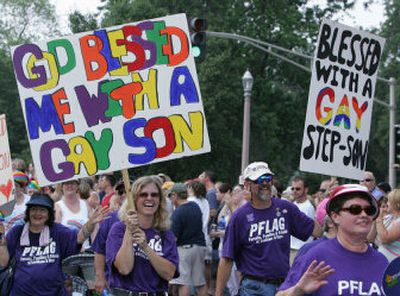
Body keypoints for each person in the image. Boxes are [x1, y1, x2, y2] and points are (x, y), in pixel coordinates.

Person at [216, 162, 322, 296]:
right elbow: (227, 259)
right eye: (260, 180)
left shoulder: (285, 208)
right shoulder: (240, 217)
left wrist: (325, 210)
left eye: (268, 179)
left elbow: (318, 231)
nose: (265, 183)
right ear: (248, 185)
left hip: (283, 287)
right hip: (253, 287)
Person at [277, 184, 389, 296]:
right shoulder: (316, 255)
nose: (364, 214)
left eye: (369, 210)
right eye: (355, 209)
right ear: (335, 216)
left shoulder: (382, 261)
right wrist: (298, 290)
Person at [0, 193, 109, 295]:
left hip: (54, 292)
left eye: (42, 210)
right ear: (28, 212)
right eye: (34, 209)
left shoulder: (57, 231)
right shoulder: (17, 231)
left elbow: (79, 238)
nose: (37, 213)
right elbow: (3, 263)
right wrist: (2, 244)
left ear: (49, 214)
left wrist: (91, 223)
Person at [106, 176, 178, 294]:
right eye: (143, 194)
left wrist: (145, 247)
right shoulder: (118, 230)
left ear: (160, 200)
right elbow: (124, 268)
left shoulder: (165, 233)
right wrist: (129, 230)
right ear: (134, 199)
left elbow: (169, 274)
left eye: (154, 195)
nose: (149, 198)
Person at [169, 182, 207, 296]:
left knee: (182, 282)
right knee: (200, 283)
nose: (170, 199)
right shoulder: (195, 206)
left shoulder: (178, 212)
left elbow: (173, 238)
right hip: (200, 247)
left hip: (184, 250)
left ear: (175, 195)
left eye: (171, 196)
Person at [290, 176, 316, 264]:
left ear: (306, 190)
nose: (294, 191)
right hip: (291, 247)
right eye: (292, 188)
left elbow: (310, 229)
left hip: (301, 249)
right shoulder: (293, 204)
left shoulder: (308, 207)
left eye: (298, 189)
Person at [376, 189, 400, 262]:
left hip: (393, 267)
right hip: (383, 261)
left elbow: (385, 239)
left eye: (389, 201)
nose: (387, 203)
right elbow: (370, 238)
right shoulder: (389, 217)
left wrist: (379, 218)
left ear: (397, 204)